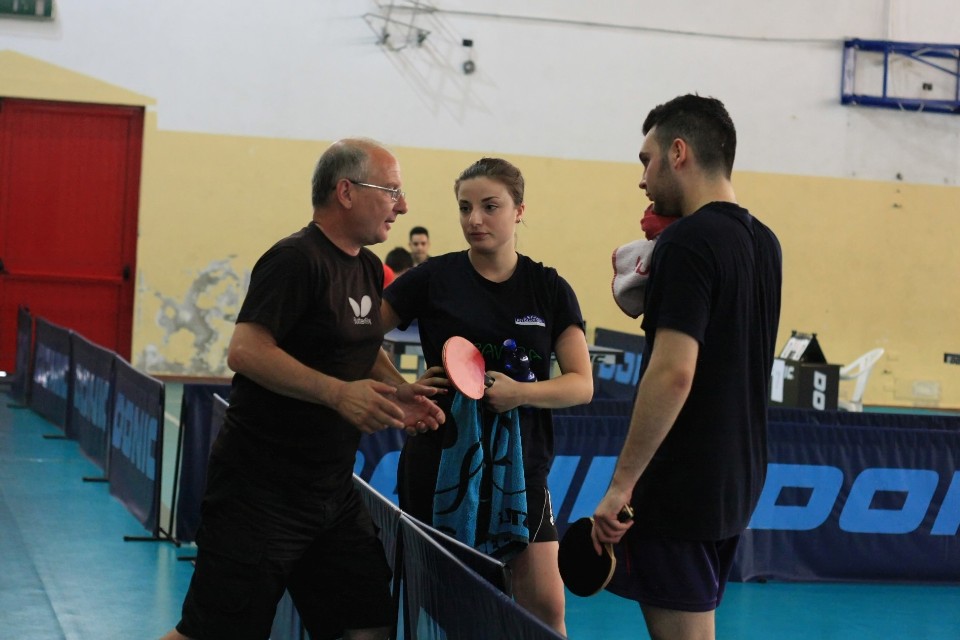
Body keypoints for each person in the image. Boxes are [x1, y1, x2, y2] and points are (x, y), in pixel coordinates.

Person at [160, 138, 445, 640]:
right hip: (257, 494)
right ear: (346, 192)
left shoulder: (364, 266)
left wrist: (398, 390)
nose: (402, 206)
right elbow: (246, 350)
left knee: (368, 629)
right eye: (391, 191)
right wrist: (337, 393)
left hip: (332, 494)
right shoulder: (294, 259)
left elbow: (359, 343)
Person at [592, 95, 782, 640]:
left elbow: (674, 372)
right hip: (737, 477)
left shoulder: (688, 242)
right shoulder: (764, 242)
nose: (642, 178)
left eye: (646, 160)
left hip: (682, 483)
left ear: (679, 153)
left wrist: (621, 485)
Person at [381, 157, 594, 635]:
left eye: (490, 206)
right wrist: (399, 386)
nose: (474, 219)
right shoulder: (433, 278)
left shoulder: (548, 287)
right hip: (441, 467)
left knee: (546, 608)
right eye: (465, 208)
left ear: (519, 211)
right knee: (451, 612)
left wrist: (521, 393)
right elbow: (357, 335)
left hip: (523, 469)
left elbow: (581, 384)